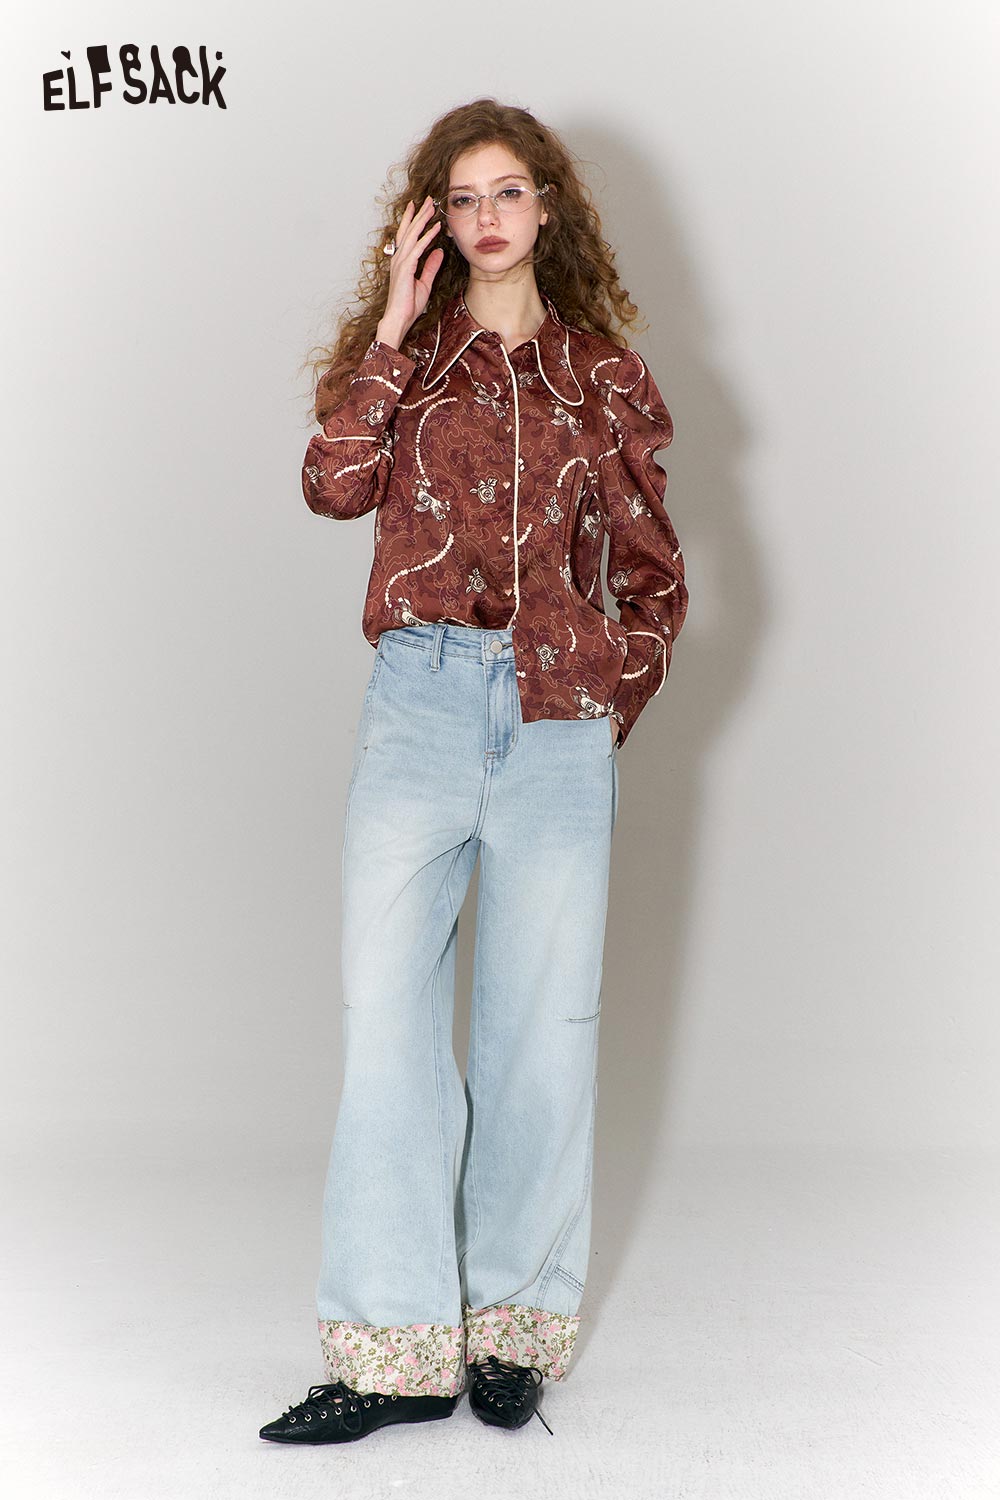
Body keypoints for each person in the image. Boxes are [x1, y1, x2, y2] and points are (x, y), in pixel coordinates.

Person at [260, 97, 689, 1445]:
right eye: (463, 197)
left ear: (548, 208)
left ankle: (511, 1333)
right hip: (418, 708)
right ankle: (391, 1354)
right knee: (387, 1023)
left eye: (511, 191)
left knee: (541, 1035)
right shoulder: (411, 362)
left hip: (554, 718)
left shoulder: (602, 377)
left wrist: (600, 701)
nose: (489, 215)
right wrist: (393, 327)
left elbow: (654, 576)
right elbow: (332, 487)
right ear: (433, 221)